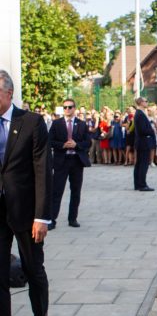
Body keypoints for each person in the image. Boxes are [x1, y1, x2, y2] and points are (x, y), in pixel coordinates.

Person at [0, 70, 52, 316]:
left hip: (26, 211)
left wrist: (41, 216)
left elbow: (44, 170)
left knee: (33, 267)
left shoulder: (31, 123)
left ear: (8, 93)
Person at [49, 99, 91, 230]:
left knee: (76, 191)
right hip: (61, 160)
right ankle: (52, 219)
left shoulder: (82, 124)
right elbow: (49, 141)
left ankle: (72, 218)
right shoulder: (56, 124)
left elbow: (88, 142)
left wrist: (76, 145)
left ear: (74, 108)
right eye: (65, 107)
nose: (67, 109)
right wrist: (62, 145)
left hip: (76, 161)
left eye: (70, 107)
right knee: (57, 191)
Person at [133, 97, 156, 191]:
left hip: (141, 142)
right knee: (143, 164)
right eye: (146, 101)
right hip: (143, 142)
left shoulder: (140, 113)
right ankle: (142, 184)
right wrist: (151, 130)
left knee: (139, 164)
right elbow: (142, 130)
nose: (147, 103)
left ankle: (138, 184)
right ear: (141, 103)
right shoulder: (140, 114)